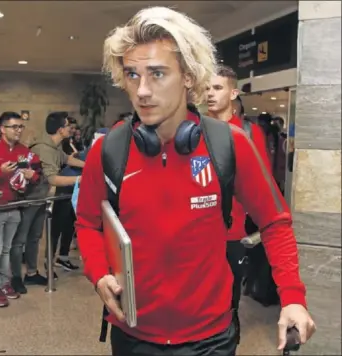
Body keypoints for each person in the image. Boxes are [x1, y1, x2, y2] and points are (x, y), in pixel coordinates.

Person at [75, 6, 315, 356]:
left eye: (157, 74)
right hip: (133, 334)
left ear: (188, 76)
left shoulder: (228, 144)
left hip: (211, 338)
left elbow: (275, 222)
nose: (142, 90)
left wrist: (292, 297)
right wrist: (98, 274)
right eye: (132, 74)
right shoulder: (109, 149)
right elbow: (87, 223)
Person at [206, 65, 275, 339]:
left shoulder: (248, 132)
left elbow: (262, 185)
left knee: (229, 295)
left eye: (218, 88)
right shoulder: (194, 130)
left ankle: (225, 338)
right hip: (198, 229)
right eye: (207, 88)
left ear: (233, 92)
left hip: (232, 231)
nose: (210, 94)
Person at [0, 112, 41, 307]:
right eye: (14, 127)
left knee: (6, 249)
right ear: (2, 129)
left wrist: (33, 175)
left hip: (14, 205)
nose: (18, 130)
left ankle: (5, 283)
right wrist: (0, 172)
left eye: (21, 127)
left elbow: (36, 173)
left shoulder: (24, 151)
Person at [20, 112, 84, 288]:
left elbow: (68, 159)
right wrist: (81, 179)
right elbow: (52, 179)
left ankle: (32, 273)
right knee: (21, 239)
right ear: (60, 129)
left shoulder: (55, 147)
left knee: (34, 237)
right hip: (30, 198)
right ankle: (13, 278)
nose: (70, 129)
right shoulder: (43, 148)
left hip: (41, 198)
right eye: (67, 125)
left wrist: (89, 167)